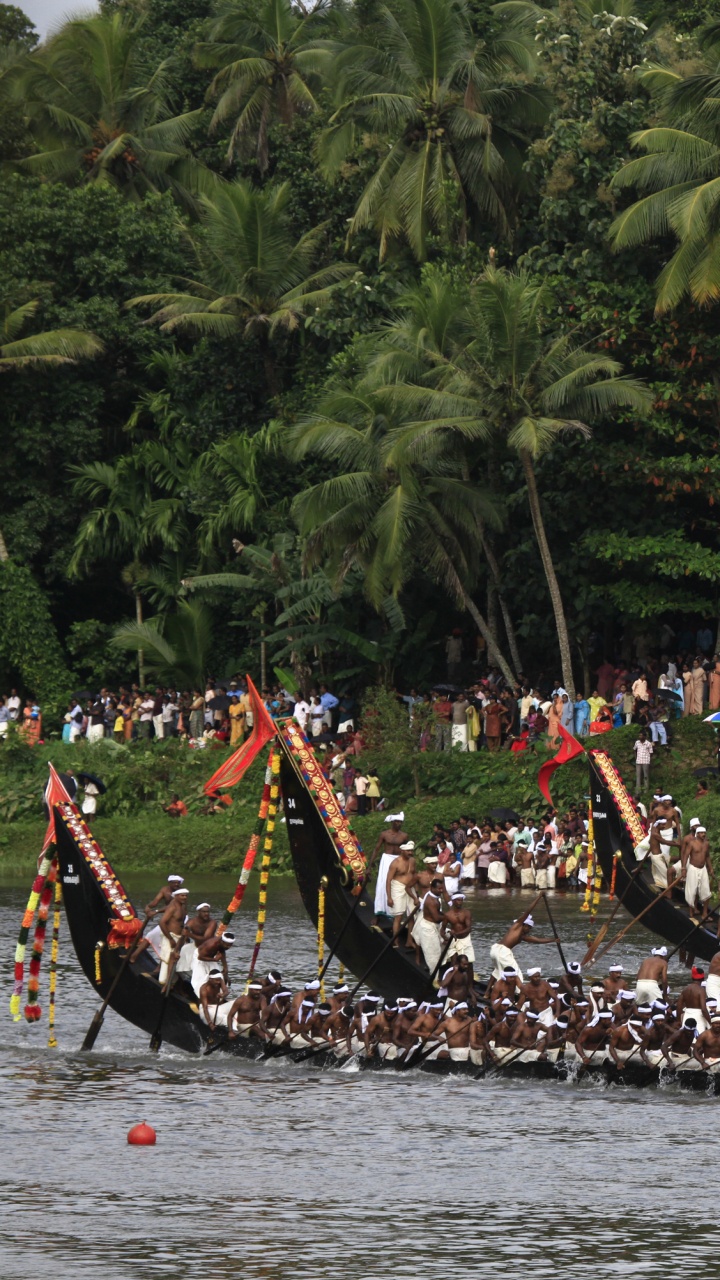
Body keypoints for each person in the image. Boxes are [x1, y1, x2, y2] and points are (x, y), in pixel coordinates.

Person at [488, 908, 556, 986]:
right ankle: (518, 993)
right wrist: (539, 896)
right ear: (524, 925)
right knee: (516, 974)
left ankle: (487, 992)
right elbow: (528, 911)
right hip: (503, 951)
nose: (529, 930)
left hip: (495, 949)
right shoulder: (517, 926)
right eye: (529, 928)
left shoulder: (522, 936)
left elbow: (537, 940)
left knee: (497, 971)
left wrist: (553, 940)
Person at [372, 814, 409, 916]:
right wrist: (369, 866)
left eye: (400, 822)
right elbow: (377, 849)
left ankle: (395, 912)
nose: (399, 824)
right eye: (397, 822)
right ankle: (379, 913)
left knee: (396, 884)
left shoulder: (404, 836)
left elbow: (408, 850)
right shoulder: (384, 834)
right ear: (392, 822)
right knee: (383, 884)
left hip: (398, 859)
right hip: (387, 859)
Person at [385, 843, 419, 945]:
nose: (410, 853)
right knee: (398, 916)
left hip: (410, 888)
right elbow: (388, 880)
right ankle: (396, 940)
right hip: (397, 887)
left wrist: (416, 892)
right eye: (408, 851)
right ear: (402, 851)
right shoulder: (395, 863)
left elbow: (414, 875)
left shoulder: (412, 861)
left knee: (412, 915)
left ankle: (409, 940)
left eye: (411, 851)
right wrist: (389, 897)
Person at [681, 824, 715, 919]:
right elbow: (686, 855)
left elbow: (707, 856)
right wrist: (684, 868)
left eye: (704, 833)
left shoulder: (706, 844)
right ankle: (691, 913)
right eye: (701, 833)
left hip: (703, 869)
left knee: (706, 892)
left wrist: (711, 868)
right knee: (692, 891)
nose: (703, 834)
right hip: (693, 869)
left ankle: (704, 914)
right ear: (697, 834)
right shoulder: (692, 843)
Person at [158, 888, 189, 985]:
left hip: (180, 938)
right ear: (176, 896)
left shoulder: (183, 907)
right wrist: (170, 939)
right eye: (182, 895)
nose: (184, 897)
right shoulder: (172, 907)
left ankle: (173, 983)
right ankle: (165, 983)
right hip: (171, 937)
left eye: (186, 895)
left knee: (177, 961)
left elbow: (182, 923)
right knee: (168, 959)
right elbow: (162, 922)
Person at [415, 877, 444, 974]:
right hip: (428, 928)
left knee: (440, 949)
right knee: (433, 955)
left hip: (434, 926)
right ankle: (434, 978)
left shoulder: (435, 898)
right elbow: (436, 918)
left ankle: (438, 972)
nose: (441, 890)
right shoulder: (431, 901)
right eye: (439, 889)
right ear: (432, 888)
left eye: (442, 888)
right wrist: (448, 917)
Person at [442, 893, 475, 965]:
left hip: (465, 939)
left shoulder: (466, 913)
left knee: (468, 963)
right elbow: (442, 930)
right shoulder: (447, 915)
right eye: (458, 900)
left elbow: (469, 929)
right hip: (453, 940)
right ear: (453, 901)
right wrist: (445, 938)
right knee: (454, 962)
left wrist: (456, 934)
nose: (460, 902)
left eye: (461, 900)